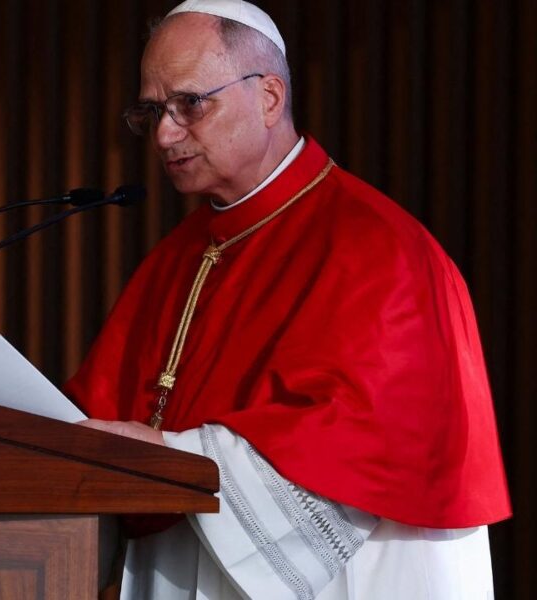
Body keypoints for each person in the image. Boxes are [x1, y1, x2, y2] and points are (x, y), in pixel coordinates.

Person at [64, 1, 512, 598]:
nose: (165, 134)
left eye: (190, 104)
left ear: (270, 97)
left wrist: (173, 454)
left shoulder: (380, 247)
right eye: (152, 112)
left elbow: (358, 440)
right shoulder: (177, 256)